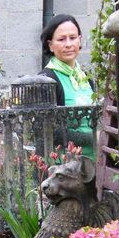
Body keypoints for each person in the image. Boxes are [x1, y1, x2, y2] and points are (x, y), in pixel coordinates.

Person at [39, 14, 96, 156]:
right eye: (61, 39)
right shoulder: (46, 80)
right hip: (64, 167)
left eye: (73, 37)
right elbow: (49, 132)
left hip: (94, 163)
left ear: (80, 40)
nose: (69, 44)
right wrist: (94, 138)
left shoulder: (86, 78)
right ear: (50, 45)